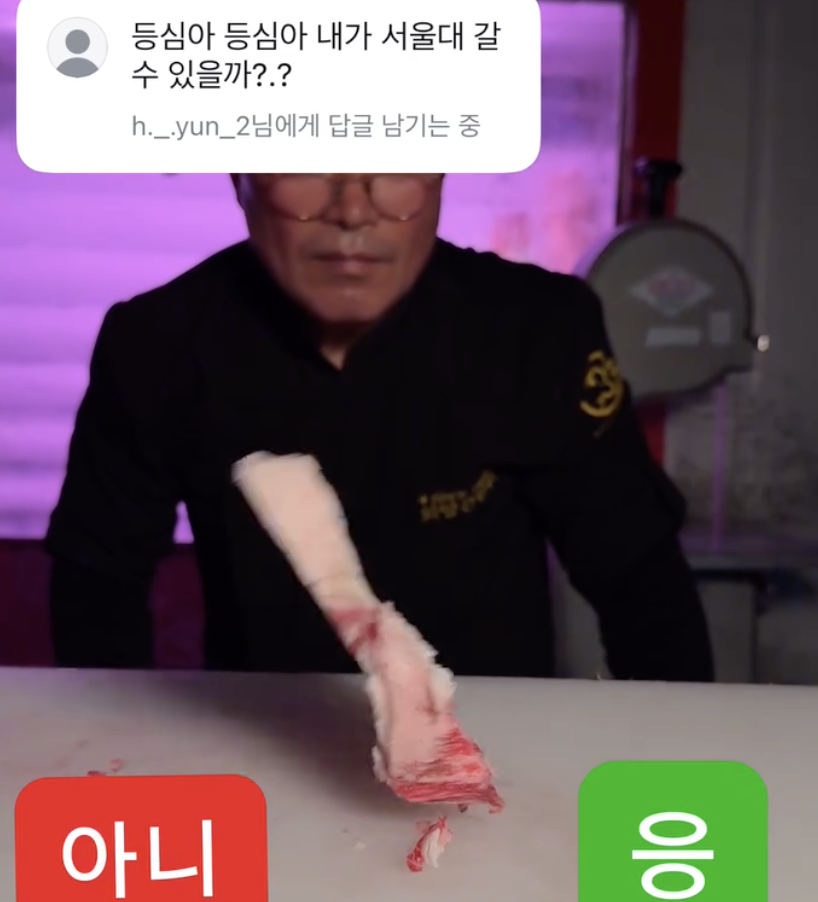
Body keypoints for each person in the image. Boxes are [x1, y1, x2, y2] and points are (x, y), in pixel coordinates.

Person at [46, 173, 714, 680]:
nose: (353, 210)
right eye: (307, 161)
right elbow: (97, 585)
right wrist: (126, 773)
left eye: (395, 163)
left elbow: (641, 584)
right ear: (240, 177)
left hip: (497, 753)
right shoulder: (158, 344)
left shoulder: (534, 331)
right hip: (261, 750)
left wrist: (676, 784)